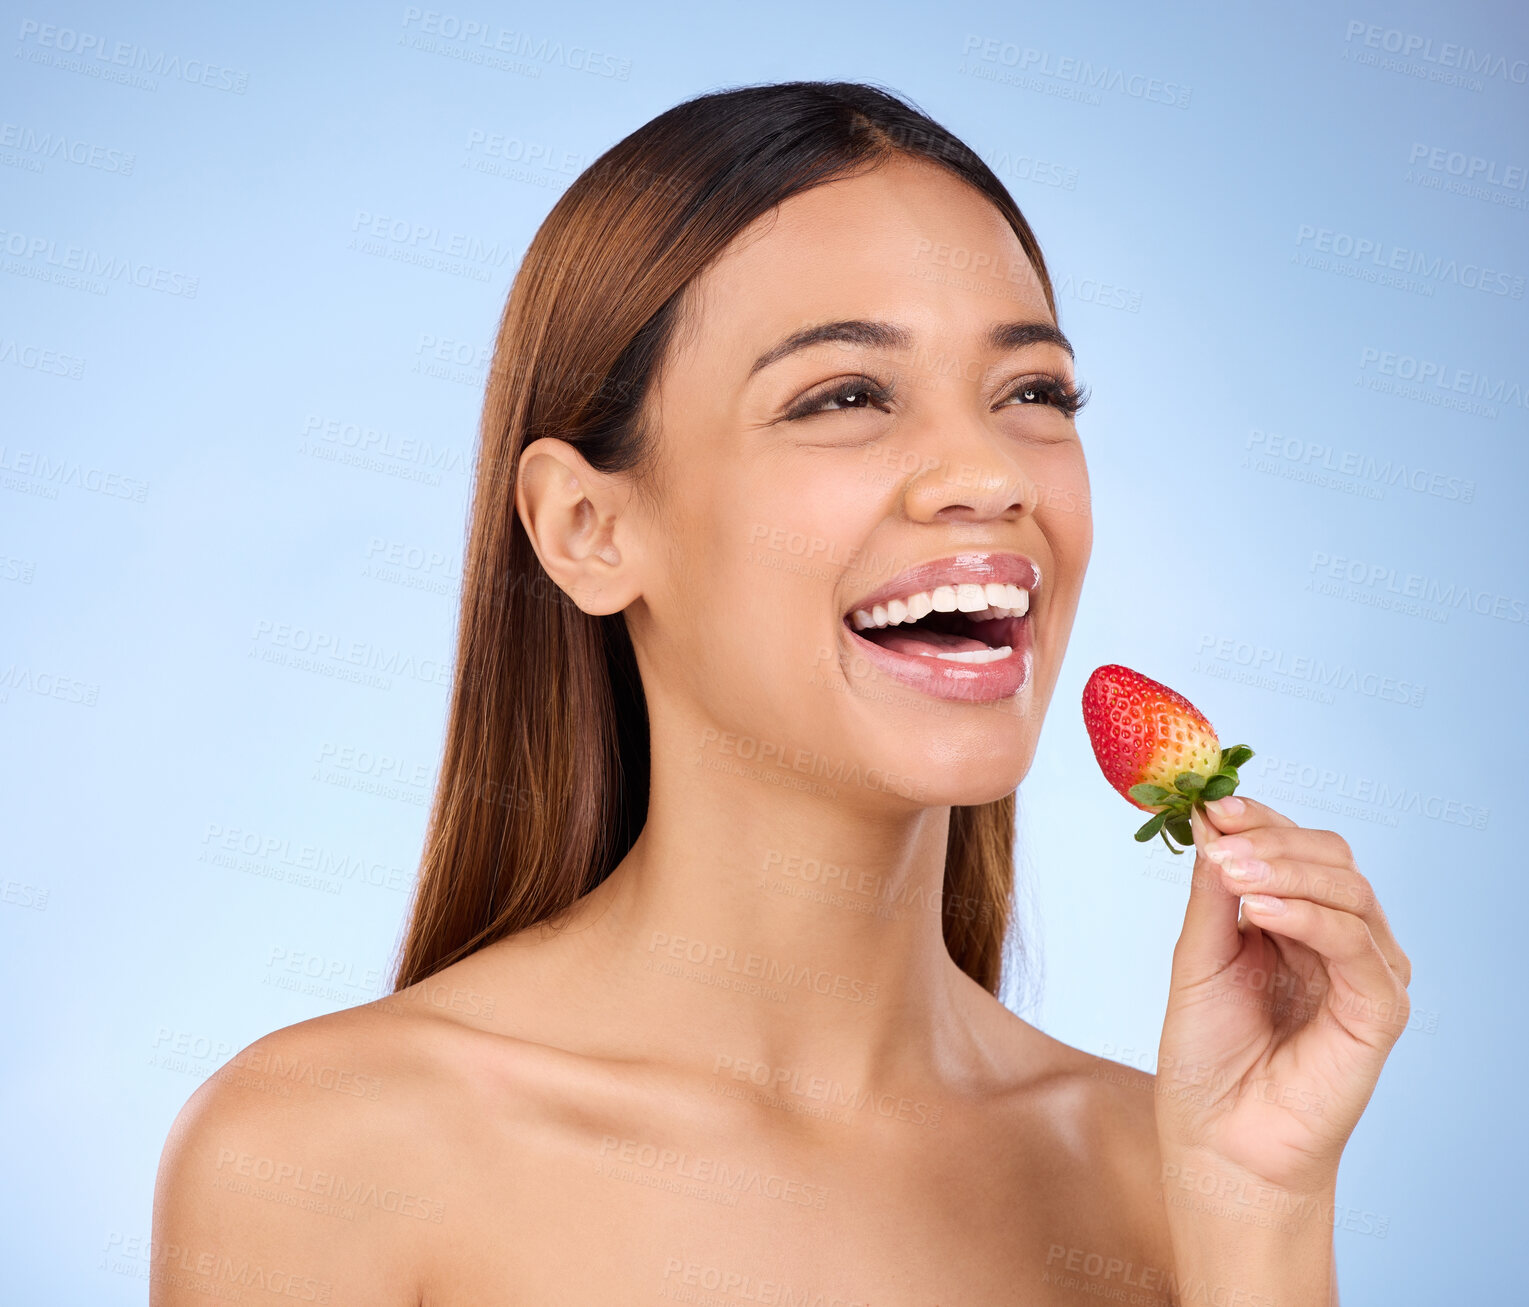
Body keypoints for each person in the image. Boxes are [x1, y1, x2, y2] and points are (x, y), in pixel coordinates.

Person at [153, 81, 1410, 1305]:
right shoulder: (322, 1159)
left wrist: (1261, 1211)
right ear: (588, 528)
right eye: (844, 396)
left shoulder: (1168, 1169)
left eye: (1030, 391)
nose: (985, 473)